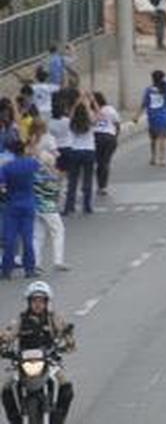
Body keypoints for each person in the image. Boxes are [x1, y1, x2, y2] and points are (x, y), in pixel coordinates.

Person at [0, 282, 75, 424]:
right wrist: (2, 339)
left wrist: (69, 340)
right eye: (34, 300)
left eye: (41, 301)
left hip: (49, 361)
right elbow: (8, 333)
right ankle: (14, 420)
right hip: (22, 362)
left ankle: (58, 419)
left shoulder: (54, 319)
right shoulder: (20, 320)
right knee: (5, 389)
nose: (38, 304)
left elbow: (66, 332)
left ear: (47, 302)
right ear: (29, 302)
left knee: (67, 387)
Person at [0, 139, 41, 279]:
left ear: (11, 151)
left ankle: (7, 269)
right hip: (29, 203)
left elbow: (2, 186)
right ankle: (29, 268)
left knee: (9, 239)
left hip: (12, 205)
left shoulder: (7, 167)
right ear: (23, 150)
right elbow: (40, 167)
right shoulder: (31, 163)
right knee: (28, 238)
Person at [30, 121, 67, 272]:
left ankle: (36, 263)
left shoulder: (30, 157)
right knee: (58, 230)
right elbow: (56, 182)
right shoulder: (47, 159)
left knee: (38, 233)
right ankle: (58, 260)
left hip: (34, 201)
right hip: (47, 203)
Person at [132, 58, 166, 167]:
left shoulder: (149, 90)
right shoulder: (165, 87)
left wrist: (136, 116)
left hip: (152, 117)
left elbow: (144, 104)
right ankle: (162, 159)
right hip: (164, 116)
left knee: (153, 139)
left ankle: (153, 157)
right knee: (162, 139)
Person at [61, 94, 96, 216]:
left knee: (73, 181)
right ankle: (87, 206)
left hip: (75, 151)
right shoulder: (89, 120)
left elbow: (71, 112)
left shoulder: (71, 121)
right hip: (89, 151)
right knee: (87, 179)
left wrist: (77, 102)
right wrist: (88, 103)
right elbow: (96, 115)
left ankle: (69, 206)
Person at [91, 92, 120, 196]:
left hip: (97, 137)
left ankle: (100, 185)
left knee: (99, 163)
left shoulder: (92, 111)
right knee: (105, 162)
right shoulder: (110, 109)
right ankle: (103, 186)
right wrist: (115, 137)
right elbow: (117, 124)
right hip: (109, 136)